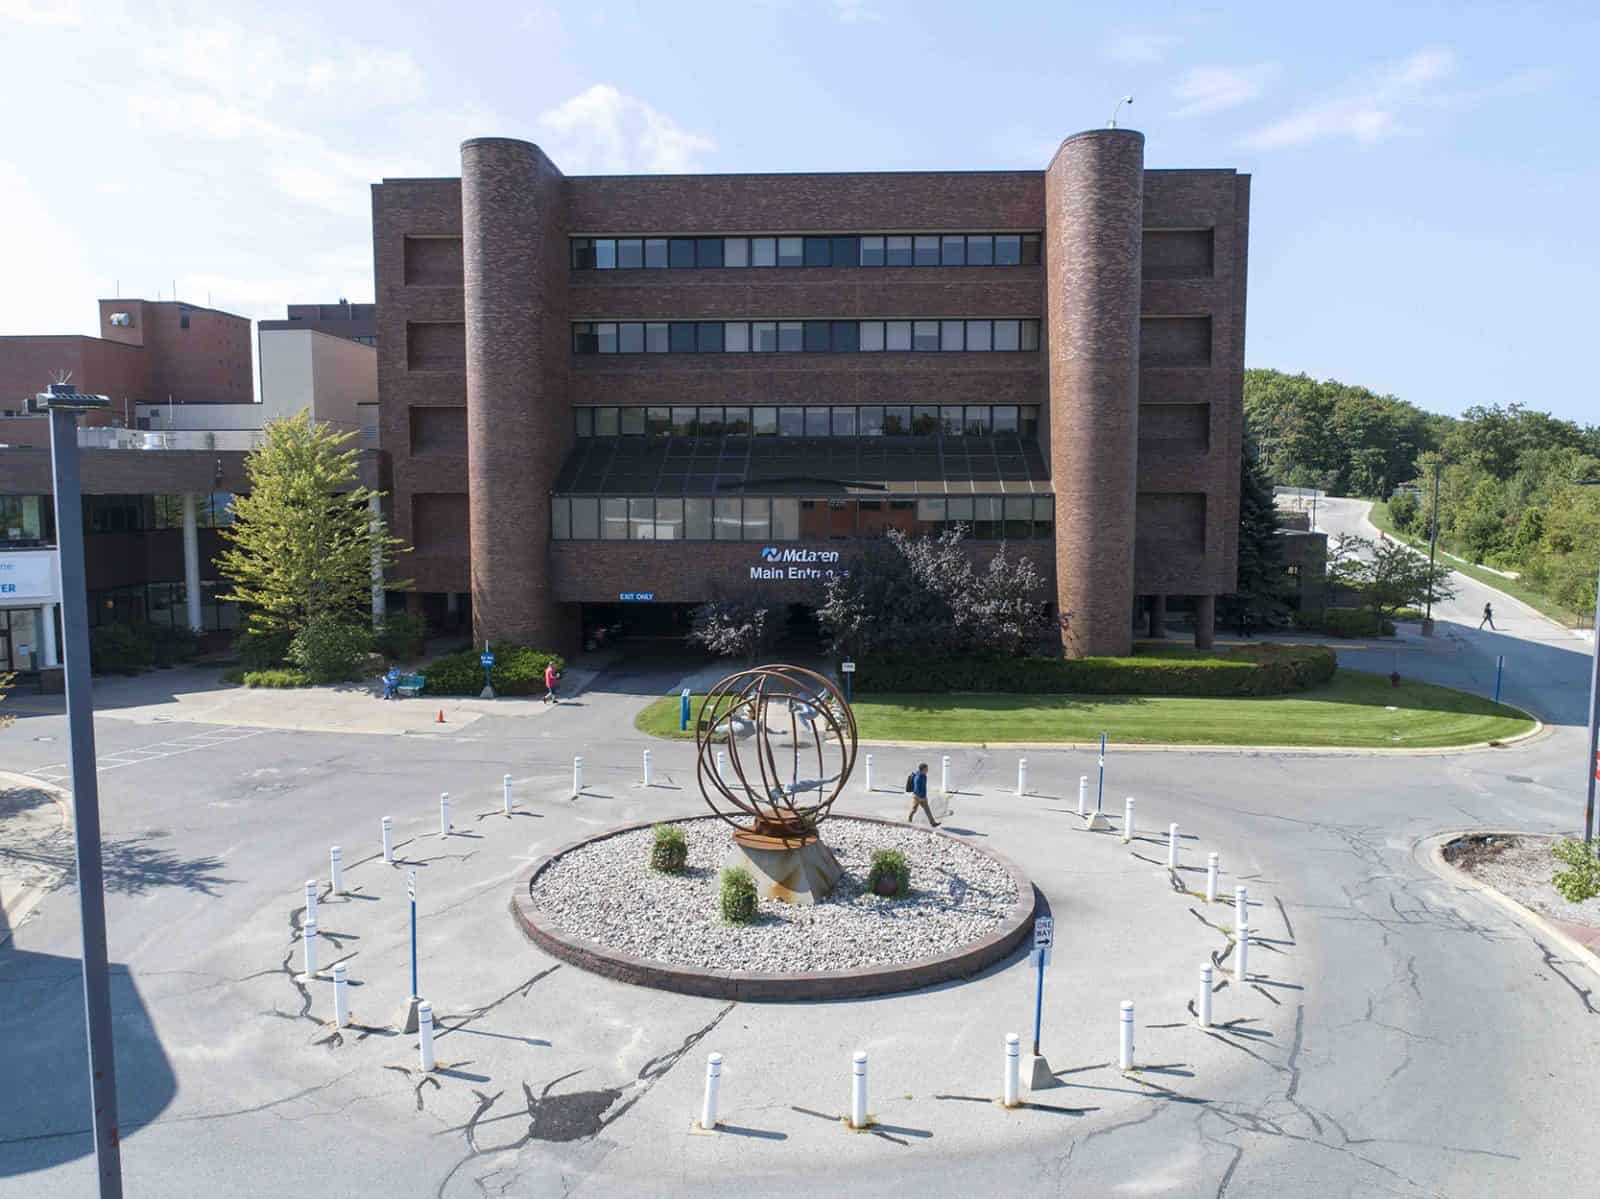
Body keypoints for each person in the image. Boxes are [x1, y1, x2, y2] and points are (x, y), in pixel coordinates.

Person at [905, 761, 938, 828]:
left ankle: (933, 823)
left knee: (927, 809)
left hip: (923, 796)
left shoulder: (924, 775)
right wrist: (921, 797)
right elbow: (916, 789)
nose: (927, 770)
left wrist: (924, 796)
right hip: (917, 797)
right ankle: (909, 820)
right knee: (914, 809)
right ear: (923, 769)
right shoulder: (918, 777)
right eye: (926, 769)